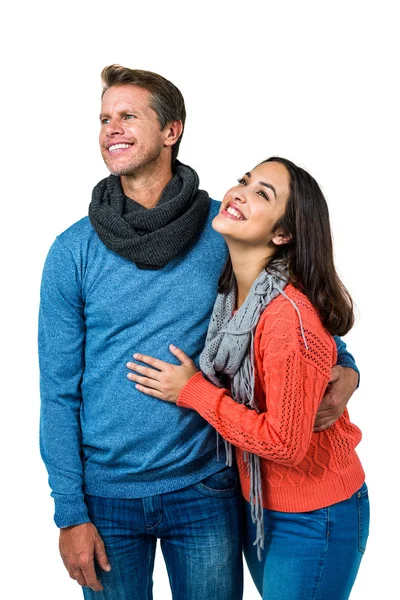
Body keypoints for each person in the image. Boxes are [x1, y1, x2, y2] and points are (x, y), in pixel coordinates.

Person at [38, 64, 359, 600]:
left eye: (128, 116)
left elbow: (293, 309)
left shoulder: (224, 230)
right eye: (104, 119)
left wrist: (348, 368)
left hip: (204, 486)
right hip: (107, 496)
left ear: (171, 130)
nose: (111, 129)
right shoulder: (73, 251)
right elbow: (57, 389)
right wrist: (69, 512)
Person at [125, 157, 369, 600]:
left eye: (262, 193)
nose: (239, 192)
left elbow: (285, 444)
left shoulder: (283, 319)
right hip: (260, 505)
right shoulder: (233, 296)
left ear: (282, 235)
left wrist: (193, 392)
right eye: (244, 181)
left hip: (316, 512)